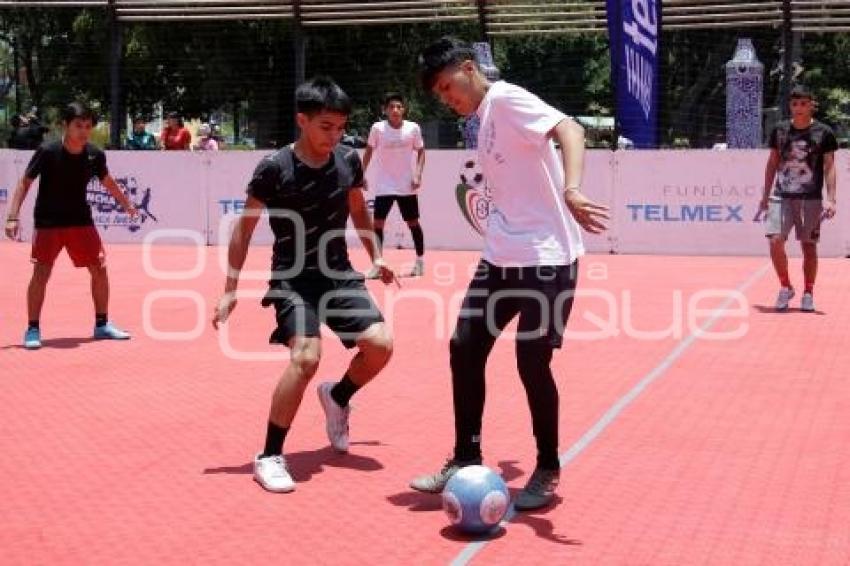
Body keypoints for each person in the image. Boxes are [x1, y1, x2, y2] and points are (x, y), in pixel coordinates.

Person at [409, 37, 609, 510]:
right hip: (501, 255)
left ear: (467, 68)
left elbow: (571, 128)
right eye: (438, 94)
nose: (446, 97)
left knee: (531, 361)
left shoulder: (507, 98)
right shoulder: (482, 119)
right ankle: (465, 457)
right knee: (464, 348)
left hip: (547, 258)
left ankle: (548, 466)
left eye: (446, 86)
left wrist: (573, 189)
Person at [212, 77, 398, 493]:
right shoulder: (274, 169)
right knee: (307, 357)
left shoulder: (349, 160)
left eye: (340, 127)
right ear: (302, 120)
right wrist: (230, 289)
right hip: (292, 278)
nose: (334, 136)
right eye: (325, 127)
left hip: (338, 274)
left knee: (381, 346)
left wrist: (378, 256)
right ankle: (270, 455)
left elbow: (357, 212)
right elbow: (244, 230)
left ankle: (338, 396)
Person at [4, 101, 138, 350]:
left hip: (81, 221)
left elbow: (107, 182)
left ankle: (102, 325)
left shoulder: (95, 154)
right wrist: (12, 216)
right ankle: (33, 328)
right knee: (41, 273)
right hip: (48, 222)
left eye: (88, 126)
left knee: (99, 269)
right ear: (65, 125)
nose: (84, 131)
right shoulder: (47, 151)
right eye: (78, 125)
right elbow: (25, 182)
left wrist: (127, 205)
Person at [760, 85, 838, 312]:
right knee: (775, 240)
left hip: (810, 198)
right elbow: (772, 163)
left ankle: (808, 292)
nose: (799, 108)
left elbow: (830, 166)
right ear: (790, 106)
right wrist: (765, 195)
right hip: (781, 195)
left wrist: (832, 198)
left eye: (804, 103)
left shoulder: (824, 132)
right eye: (795, 104)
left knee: (809, 247)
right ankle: (785, 287)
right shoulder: (780, 130)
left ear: (812, 105)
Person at [362, 93, 427, 277]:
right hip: (384, 186)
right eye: (391, 107)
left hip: (406, 186)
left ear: (404, 109)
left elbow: (421, 151)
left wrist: (418, 174)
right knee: (378, 224)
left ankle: (420, 262)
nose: (395, 110)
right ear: (385, 110)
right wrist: (361, 174)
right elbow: (368, 152)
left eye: (399, 106)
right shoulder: (378, 128)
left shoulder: (413, 128)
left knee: (413, 223)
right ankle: (377, 264)